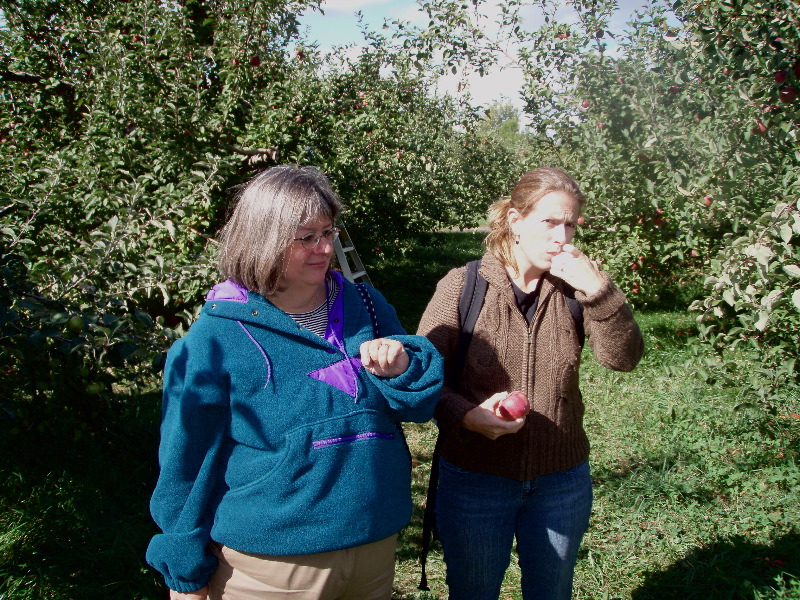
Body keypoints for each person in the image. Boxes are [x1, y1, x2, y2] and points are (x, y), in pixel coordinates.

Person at [146, 165, 444, 600]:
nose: (325, 248)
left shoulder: (364, 303)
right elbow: (187, 460)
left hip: (374, 545)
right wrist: (184, 564)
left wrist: (402, 369)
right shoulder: (215, 339)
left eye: (329, 232)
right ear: (263, 237)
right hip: (273, 567)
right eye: (306, 237)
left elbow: (417, 405)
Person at [416, 166, 644, 600]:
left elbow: (623, 360)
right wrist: (466, 416)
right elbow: (424, 379)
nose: (563, 237)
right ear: (515, 222)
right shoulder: (462, 287)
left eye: (571, 224)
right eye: (550, 222)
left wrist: (601, 293)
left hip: (561, 480)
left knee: (551, 593)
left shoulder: (575, 290)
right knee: (474, 592)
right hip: (476, 480)